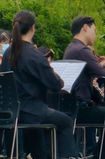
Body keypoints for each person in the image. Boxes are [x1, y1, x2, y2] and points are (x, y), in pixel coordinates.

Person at [0, 10, 78, 159]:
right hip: (32, 111)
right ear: (32, 28)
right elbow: (56, 85)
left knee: (39, 131)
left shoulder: (8, 53)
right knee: (66, 121)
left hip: (12, 113)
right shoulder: (34, 56)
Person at [63, 15, 105, 158]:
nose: (95, 34)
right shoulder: (81, 50)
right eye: (94, 30)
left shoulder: (71, 48)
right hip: (81, 107)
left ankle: (99, 153)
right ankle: (98, 154)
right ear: (85, 28)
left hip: (73, 107)